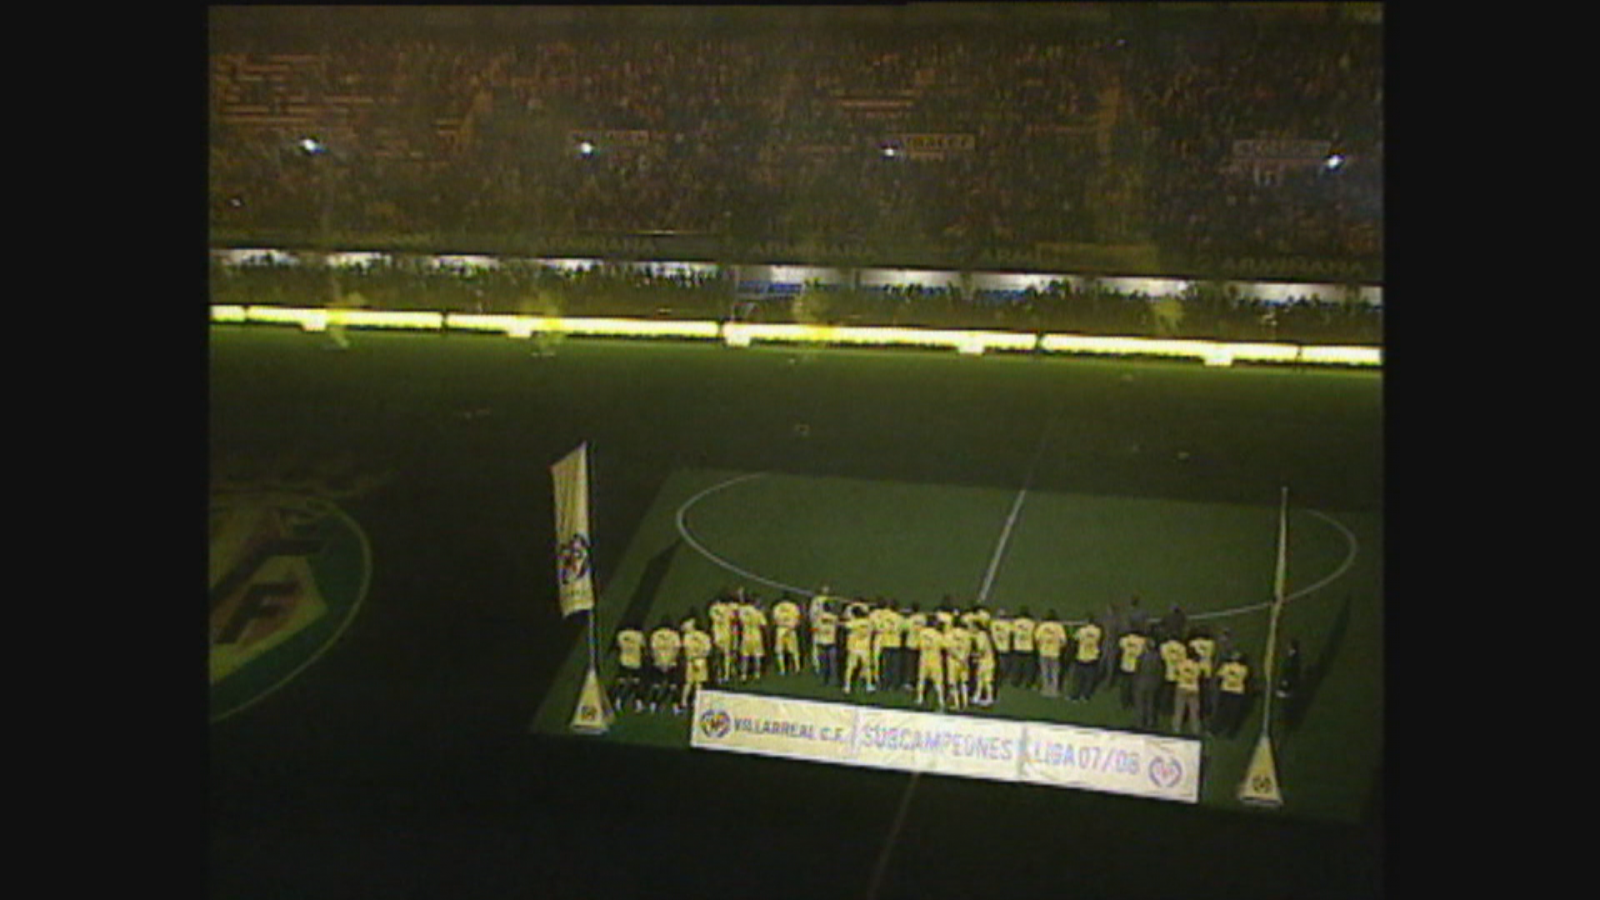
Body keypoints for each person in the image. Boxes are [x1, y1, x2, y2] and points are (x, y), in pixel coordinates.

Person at [648, 618, 683, 713]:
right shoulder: (674, 635)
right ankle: (675, 706)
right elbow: (677, 649)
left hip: (658, 662)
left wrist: (656, 660)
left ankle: (653, 703)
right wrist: (673, 660)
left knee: (656, 684)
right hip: (671, 663)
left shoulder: (655, 635)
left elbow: (653, 649)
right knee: (673, 685)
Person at [1213, 652, 1251, 738]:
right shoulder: (1244, 668)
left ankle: (1217, 730)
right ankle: (1230, 732)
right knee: (1233, 713)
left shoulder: (1227, 666)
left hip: (1226, 691)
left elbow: (1219, 675)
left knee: (1222, 711)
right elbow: (1245, 678)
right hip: (1237, 692)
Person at [680, 618, 713, 712]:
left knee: (689, 682)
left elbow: (686, 650)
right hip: (701, 660)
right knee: (698, 683)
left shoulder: (687, 637)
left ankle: (684, 701)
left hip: (691, 661)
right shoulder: (704, 636)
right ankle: (696, 700)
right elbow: (708, 649)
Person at [842, 603, 876, 694]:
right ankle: (869, 685)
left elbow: (844, 626)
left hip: (854, 647)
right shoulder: (869, 623)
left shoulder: (853, 623)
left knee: (850, 668)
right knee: (867, 667)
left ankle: (847, 686)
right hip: (865, 647)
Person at [872, 601, 905, 692]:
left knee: (886, 666)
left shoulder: (884, 616)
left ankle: (884, 684)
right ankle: (894, 685)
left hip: (886, 643)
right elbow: (904, 628)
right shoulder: (900, 618)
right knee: (895, 667)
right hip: (896, 644)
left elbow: (879, 625)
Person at [916, 613, 947, 710]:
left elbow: (918, 645)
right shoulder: (938, 634)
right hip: (935, 658)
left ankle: (920, 698)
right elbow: (944, 646)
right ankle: (941, 700)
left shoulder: (922, 633)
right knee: (938, 681)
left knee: (921, 679)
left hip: (924, 657)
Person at [613, 622, 647, 712]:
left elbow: (618, 646)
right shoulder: (639, 635)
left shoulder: (621, 635)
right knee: (637, 682)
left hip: (624, 661)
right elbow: (643, 647)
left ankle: (618, 701)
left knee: (622, 682)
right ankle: (638, 703)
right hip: (636, 662)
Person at [1070, 614, 1104, 701]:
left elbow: (1075, 638)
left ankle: (1075, 695)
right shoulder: (1098, 631)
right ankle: (1086, 695)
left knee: (1078, 679)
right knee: (1089, 679)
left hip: (1082, 657)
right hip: (1093, 657)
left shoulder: (1082, 631)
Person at [1033, 611, 1068, 697]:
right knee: (1054, 672)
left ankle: (1046, 689)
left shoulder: (1042, 626)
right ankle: (1054, 690)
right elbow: (1063, 641)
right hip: (1055, 653)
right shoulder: (1059, 627)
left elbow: (1036, 639)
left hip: (1044, 652)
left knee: (1045, 671)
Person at [1133, 639, 1164, 731]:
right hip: (1153, 684)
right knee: (1151, 703)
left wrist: (1135, 682)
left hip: (1142, 682)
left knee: (1140, 704)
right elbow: (1160, 672)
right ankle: (1150, 722)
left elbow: (1137, 670)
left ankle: (1139, 722)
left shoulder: (1141, 657)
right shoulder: (1158, 658)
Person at [1171, 646, 1204, 736]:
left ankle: (1176, 728)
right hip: (1193, 689)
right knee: (1194, 711)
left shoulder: (1181, 663)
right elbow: (1200, 676)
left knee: (1179, 709)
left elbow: (1176, 672)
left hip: (1182, 687)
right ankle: (1195, 729)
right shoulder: (1197, 665)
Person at [1115, 627, 1149, 710]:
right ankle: (1132, 702)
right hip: (1135, 667)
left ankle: (1124, 703)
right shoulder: (1142, 641)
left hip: (1125, 666)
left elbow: (1120, 646)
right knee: (1134, 687)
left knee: (1124, 687)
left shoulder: (1125, 640)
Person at [943, 616, 973, 711]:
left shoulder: (949, 634)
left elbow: (948, 648)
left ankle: (956, 704)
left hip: (953, 661)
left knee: (953, 684)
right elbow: (969, 648)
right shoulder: (967, 634)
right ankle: (965, 702)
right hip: (964, 660)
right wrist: (963, 658)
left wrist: (957, 657)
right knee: (964, 682)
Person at [737, 595, 768, 682]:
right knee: (757, 656)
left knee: (745, 656)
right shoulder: (758, 613)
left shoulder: (744, 610)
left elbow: (740, 615)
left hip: (746, 635)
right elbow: (764, 624)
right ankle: (757, 674)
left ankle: (743, 675)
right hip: (756, 635)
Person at [772, 593, 804, 675]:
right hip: (791, 629)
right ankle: (797, 668)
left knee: (780, 651)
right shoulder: (794, 606)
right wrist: (793, 625)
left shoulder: (777, 607)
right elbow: (798, 618)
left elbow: (774, 619)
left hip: (781, 629)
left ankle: (782, 670)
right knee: (794, 650)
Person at [812, 598, 841, 686]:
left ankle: (824, 680)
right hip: (831, 642)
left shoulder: (818, 618)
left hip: (821, 642)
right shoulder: (835, 618)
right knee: (833, 664)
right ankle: (833, 680)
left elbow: (814, 629)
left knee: (823, 664)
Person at [1010, 607, 1037, 688]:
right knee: (1029, 667)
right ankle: (1028, 682)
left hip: (1018, 647)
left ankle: (1015, 681)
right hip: (1028, 647)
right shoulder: (1032, 623)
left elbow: (1012, 632)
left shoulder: (1015, 622)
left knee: (1017, 666)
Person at [971, 624, 997, 707]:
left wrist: (973, 656)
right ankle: (977, 696)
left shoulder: (981, 636)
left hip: (987, 662)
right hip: (983, 662)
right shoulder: (980, 635)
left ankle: (990, 698)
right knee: (979, 680)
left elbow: (981, 650)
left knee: (987, 681)